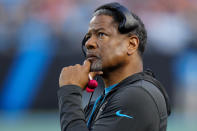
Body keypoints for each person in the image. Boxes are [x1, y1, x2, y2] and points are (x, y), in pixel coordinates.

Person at [58, 2, 171, 131]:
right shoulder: (108, 100)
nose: (89, 43)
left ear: (131, 44)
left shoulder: (136, 96)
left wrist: (70, 90)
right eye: (88, 37)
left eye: (101, 34)